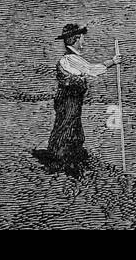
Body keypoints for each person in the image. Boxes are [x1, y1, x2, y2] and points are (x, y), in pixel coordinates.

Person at [41, 23, 119, 176]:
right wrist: (113, 61)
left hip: (70, 100)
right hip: (68, 101)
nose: (84, 41)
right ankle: (63, 162)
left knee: (69, 126)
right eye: (82, 38)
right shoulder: (70, 58)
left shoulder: (72, 58)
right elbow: (91, 70)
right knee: (67, 127)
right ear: (76, 39)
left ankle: (66, 159)